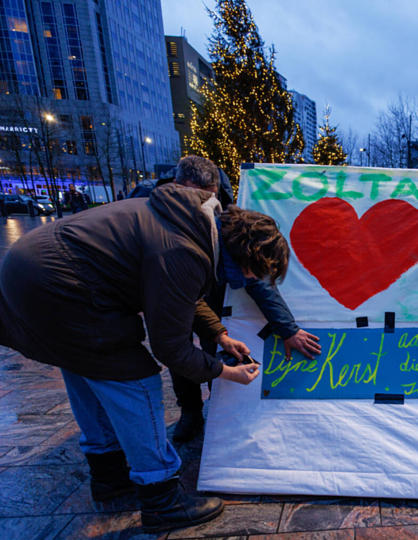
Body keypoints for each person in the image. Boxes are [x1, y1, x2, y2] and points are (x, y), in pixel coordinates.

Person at [0, 156, 285, 532]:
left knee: (86, 368)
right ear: (240, 252)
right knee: (134, 379)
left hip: (30, 274)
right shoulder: (184, 250)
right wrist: (225, 372)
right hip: (58, 286)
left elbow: (179, 296)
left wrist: (219, 335)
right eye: (252, 272)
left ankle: (108, 473)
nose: (247, 281)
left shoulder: (192, 223)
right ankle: (161, 496)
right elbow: (171, 348)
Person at [129, 165, 321, 442]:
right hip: (163, 289)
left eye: (207, 198)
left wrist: (283, 328)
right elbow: (171, 346)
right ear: (176, 186)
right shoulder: (169, 237)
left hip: (206, 295)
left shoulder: (227, 225)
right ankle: (191, 412)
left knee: (211, 346)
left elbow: (254, 275)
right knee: (179, 352)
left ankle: (217, 407)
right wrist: (227, 372)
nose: (198, 206)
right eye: (191, 196)